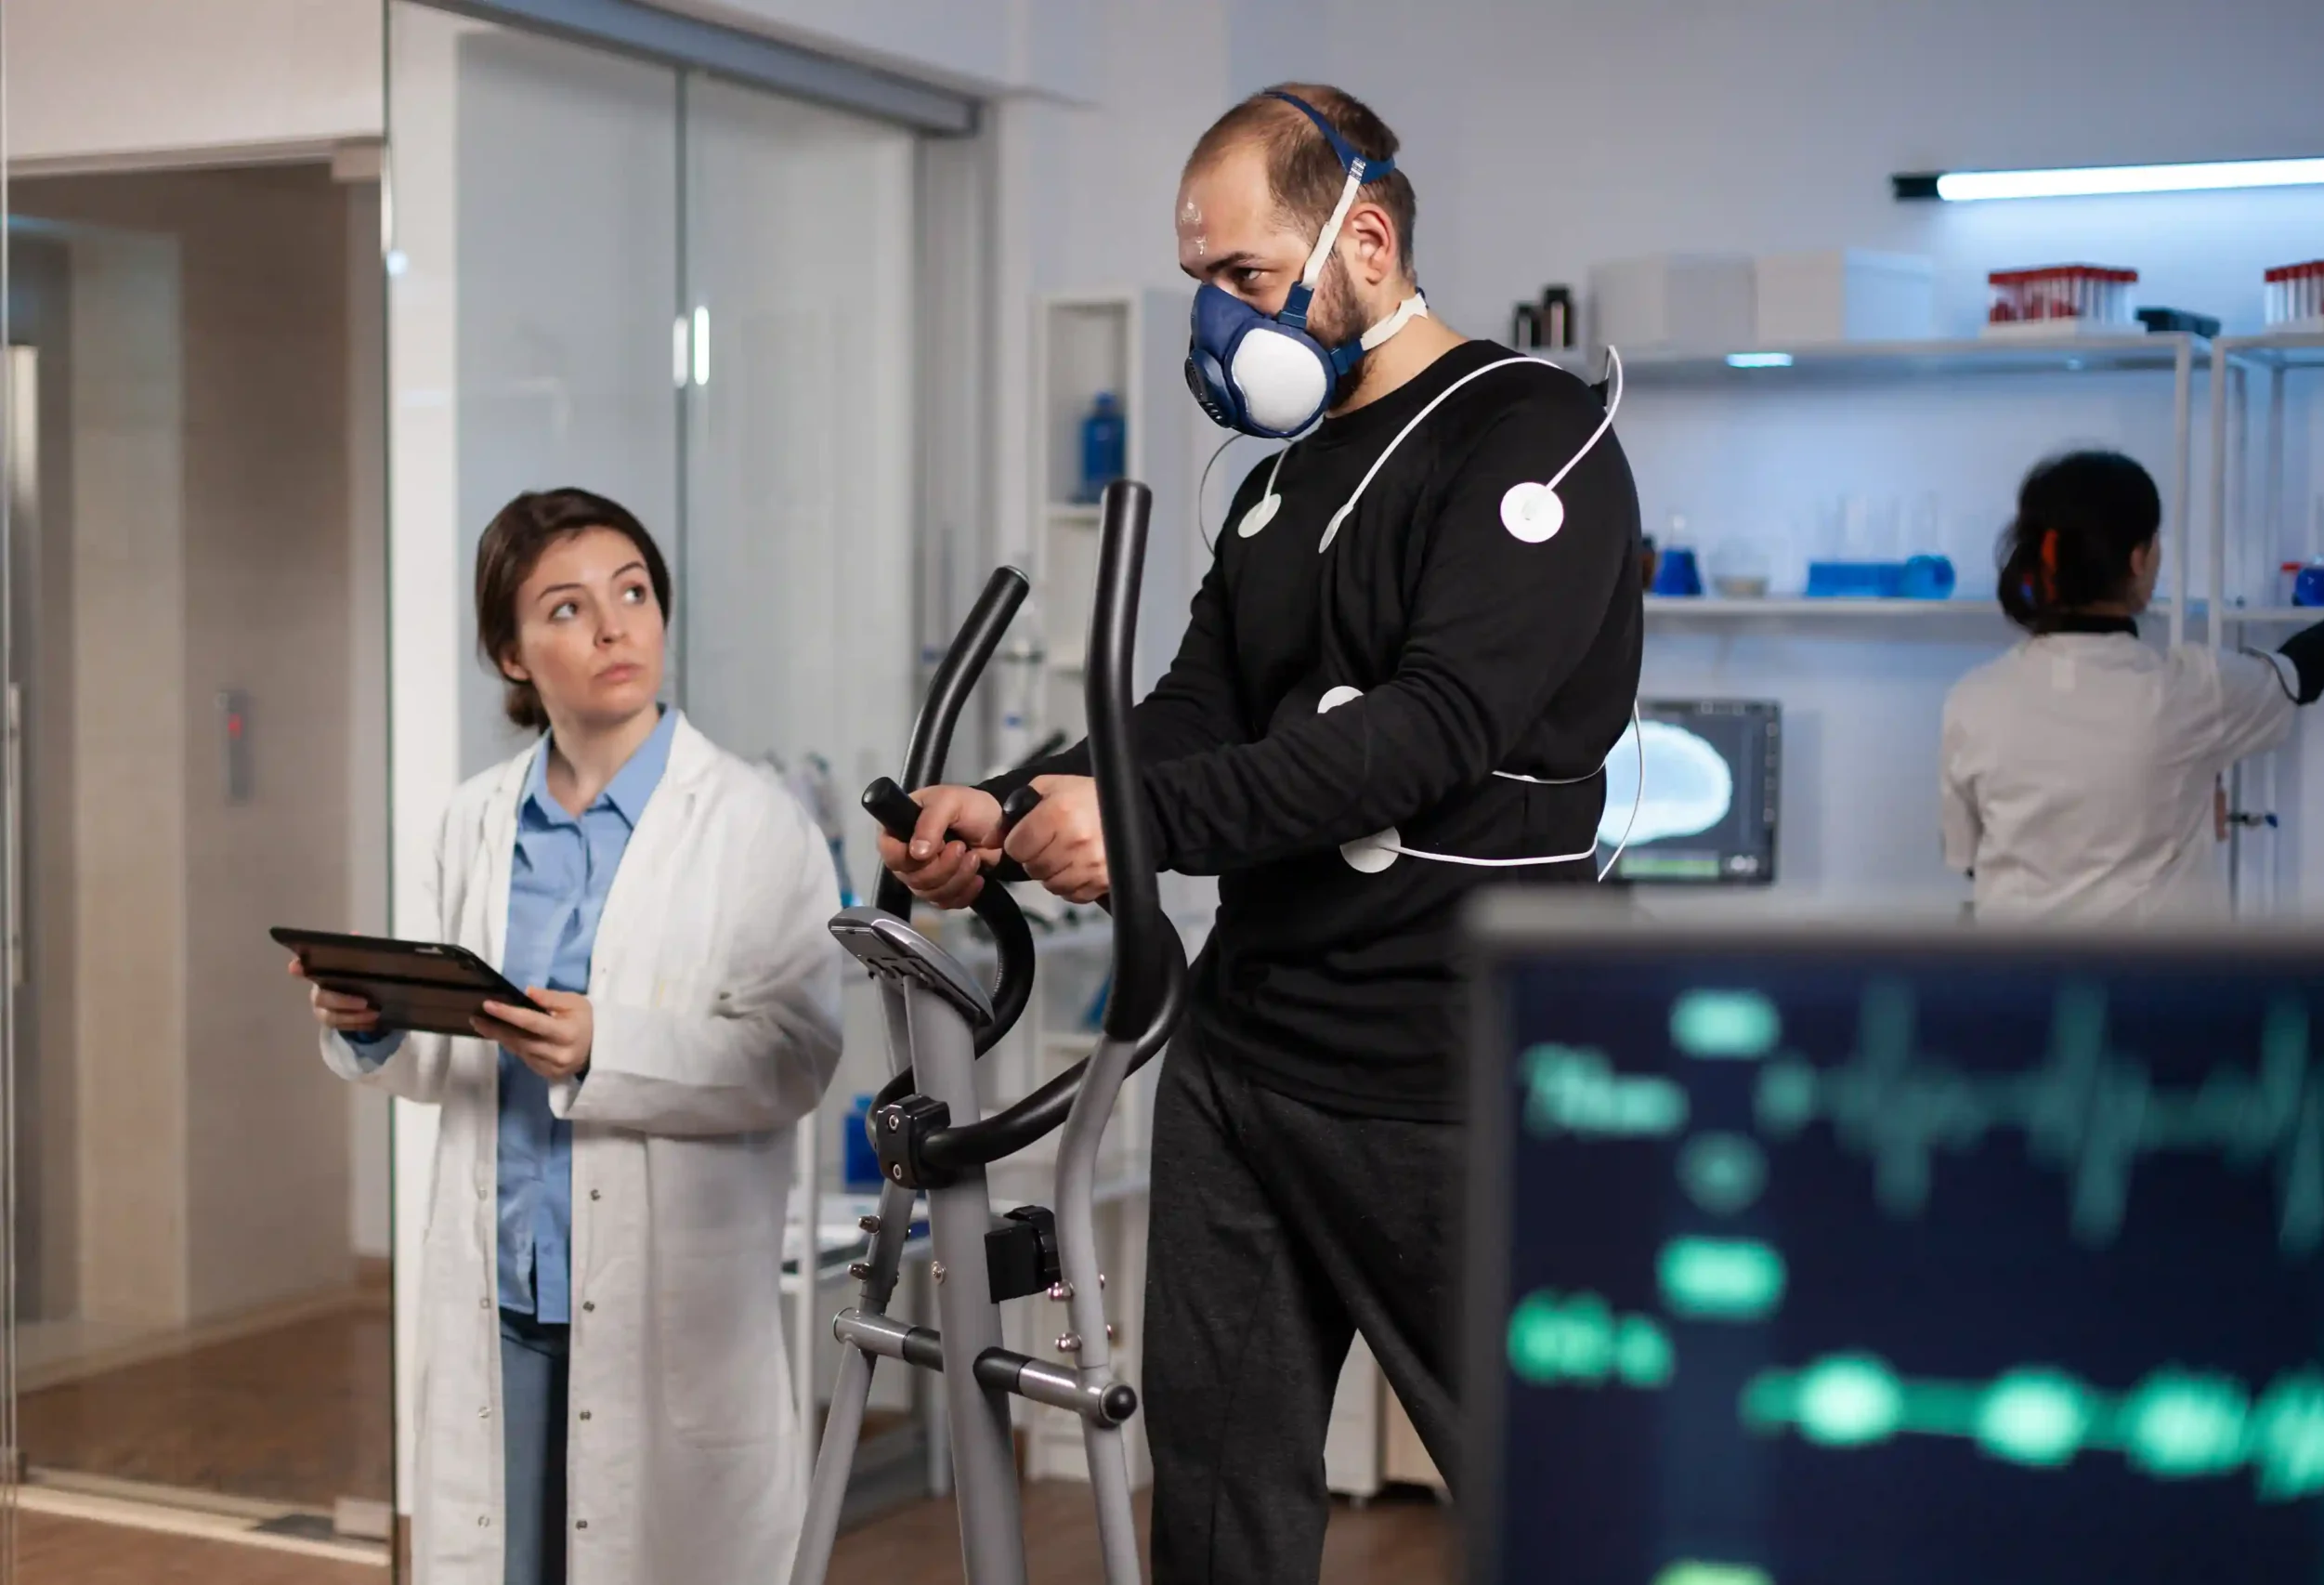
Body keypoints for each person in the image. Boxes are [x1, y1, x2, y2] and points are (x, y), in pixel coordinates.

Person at [882, 85, 1642, 1582]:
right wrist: (1025, 797)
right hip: (1248, 1059)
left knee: (1561, 1499)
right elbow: (1189, 710)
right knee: (1220, 1500)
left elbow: (1430, 732)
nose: (1220, 325)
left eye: (1244, 279)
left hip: (1453, 1067)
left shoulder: (1531, 436)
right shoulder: (1276, 484)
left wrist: (1145, 822)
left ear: (1364, 241)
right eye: (1201, 288)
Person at [292, 488, 843, 1585]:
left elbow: (794, 1055)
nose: (613, 626)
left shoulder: (750, 823)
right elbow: (443, 1053)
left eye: (633, 593)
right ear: (509, 652)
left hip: (662, 1303)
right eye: (567, 607)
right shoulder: (473, 821)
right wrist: (370, 1022)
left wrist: (609, 1046)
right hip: (500, 1292)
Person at [1942, 450, 2324, 921]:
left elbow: (1967, 858)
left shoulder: (1974, 698)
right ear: (2138, 558)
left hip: (2015, 985)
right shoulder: (2189, 690)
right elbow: (2297, 673)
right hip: (2154, 987)